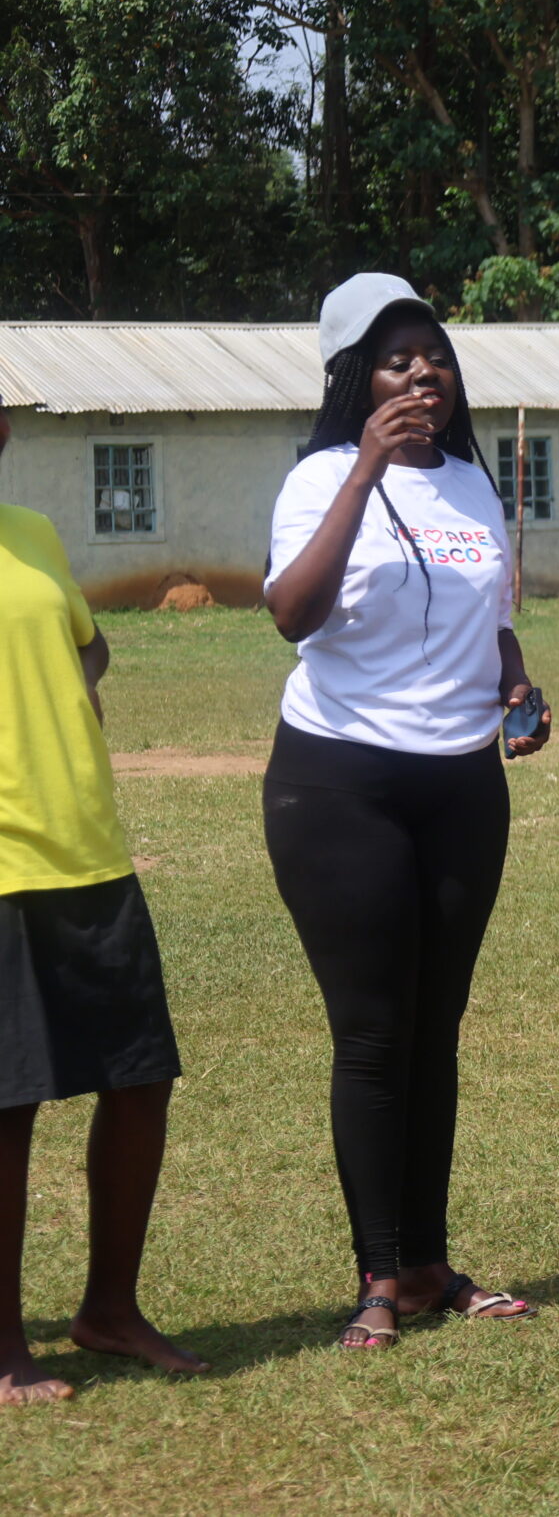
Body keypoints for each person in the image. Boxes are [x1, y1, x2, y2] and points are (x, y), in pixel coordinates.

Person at [262, 273, 552, 1351]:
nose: (421, 372)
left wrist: (516, 684)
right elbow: (293, 612)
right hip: (341, 785)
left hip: (463, 786)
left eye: (433, 353)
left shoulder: (474, 483)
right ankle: (377, 1274)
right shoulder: (320, 477)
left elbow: (493, 620)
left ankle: (429, 1263)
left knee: (437, 1029)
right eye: (394, 359)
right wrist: (367, 469)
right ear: (354, 381)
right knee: (376, 1032)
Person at [0, 402, 204, 1404]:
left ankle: (108, 1310)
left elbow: (88, 644)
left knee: (139, 1079)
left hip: (86, 848)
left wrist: (77, 685)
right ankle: (4, 1348)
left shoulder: (30, 535)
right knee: (6, 1104)